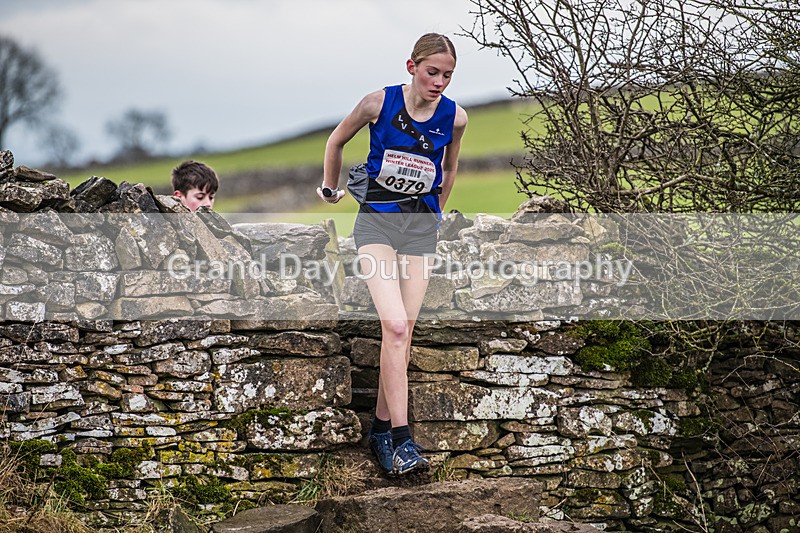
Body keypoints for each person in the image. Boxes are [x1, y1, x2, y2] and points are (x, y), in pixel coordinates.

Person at [319, 33, 468, 475]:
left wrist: (437, 213)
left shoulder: (455, 117)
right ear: (411, 66)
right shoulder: (377, 104)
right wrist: (330, 187)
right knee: (396, 325)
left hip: (420, 232)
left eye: (447, 75)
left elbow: (449, 167)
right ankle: (403, 442)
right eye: (432, 72)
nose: (439, 82)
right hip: (377, 227)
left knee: (403, 336)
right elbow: (335, 141)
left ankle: (382, 432)